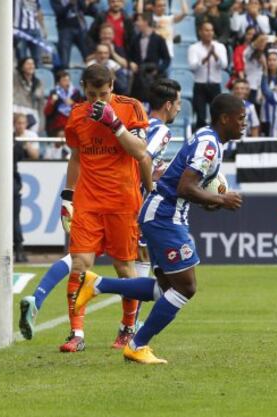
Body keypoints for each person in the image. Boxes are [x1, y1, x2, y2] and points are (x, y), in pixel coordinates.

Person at [72, 93, 244, 364]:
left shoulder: (209, 140)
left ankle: (98, 284)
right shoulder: (209, 145)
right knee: (186, 288)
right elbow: (184, 187)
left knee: (166, 288)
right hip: (165, 216)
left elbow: (188, 188)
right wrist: (221, 198)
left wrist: (212, 201)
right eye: (241, 118)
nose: (244, 124)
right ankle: (137, 344)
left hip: (163, 213)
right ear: (225, 118)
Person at [18, 78, 182, 342]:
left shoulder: (133, 111)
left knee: (100, 262)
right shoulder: (159, 129)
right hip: (127, 200)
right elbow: (143, 156)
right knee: (129, 265)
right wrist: (152, 188)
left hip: (114, 200)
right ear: (169, 104)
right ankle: (123, 327)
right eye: (178, 103)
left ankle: (50, 302)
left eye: (102, 94)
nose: (180, 109)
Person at [60, 64, 152, 352]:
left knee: (125, 267)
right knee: (79, 265)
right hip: (87, 201)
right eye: (91, 94)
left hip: (123, 201)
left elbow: (140, 153)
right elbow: (76, 156)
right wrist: (68, 195)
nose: (97, 100)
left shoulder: (131, 108)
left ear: (113, 86)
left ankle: (127, 327)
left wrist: (115, 124)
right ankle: (76, 334)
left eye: (103, 94)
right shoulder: (76, 114)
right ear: (83, 89)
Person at [188, 21, 228, 129]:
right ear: (200, 32)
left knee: (217, 115)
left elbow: (224, 65)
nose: (209, 33)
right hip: (199, 85)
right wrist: (205, 58)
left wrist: (214, 55)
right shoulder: (194, 48)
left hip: (215, 84)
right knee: (200, 116)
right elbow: (192, 67)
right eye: (206, 30)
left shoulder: (220, 47)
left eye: (211, 30)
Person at [44, 70, 83, 137]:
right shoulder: (54, 93)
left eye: (68, 80)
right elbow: (47, 112)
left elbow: (81, 111)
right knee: (62, 134)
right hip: (57, 125)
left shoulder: (76, 93)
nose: (67, 82)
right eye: (64, 80)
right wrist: (52, 102)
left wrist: (73, 104)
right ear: (59, 82)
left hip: (73, 123)